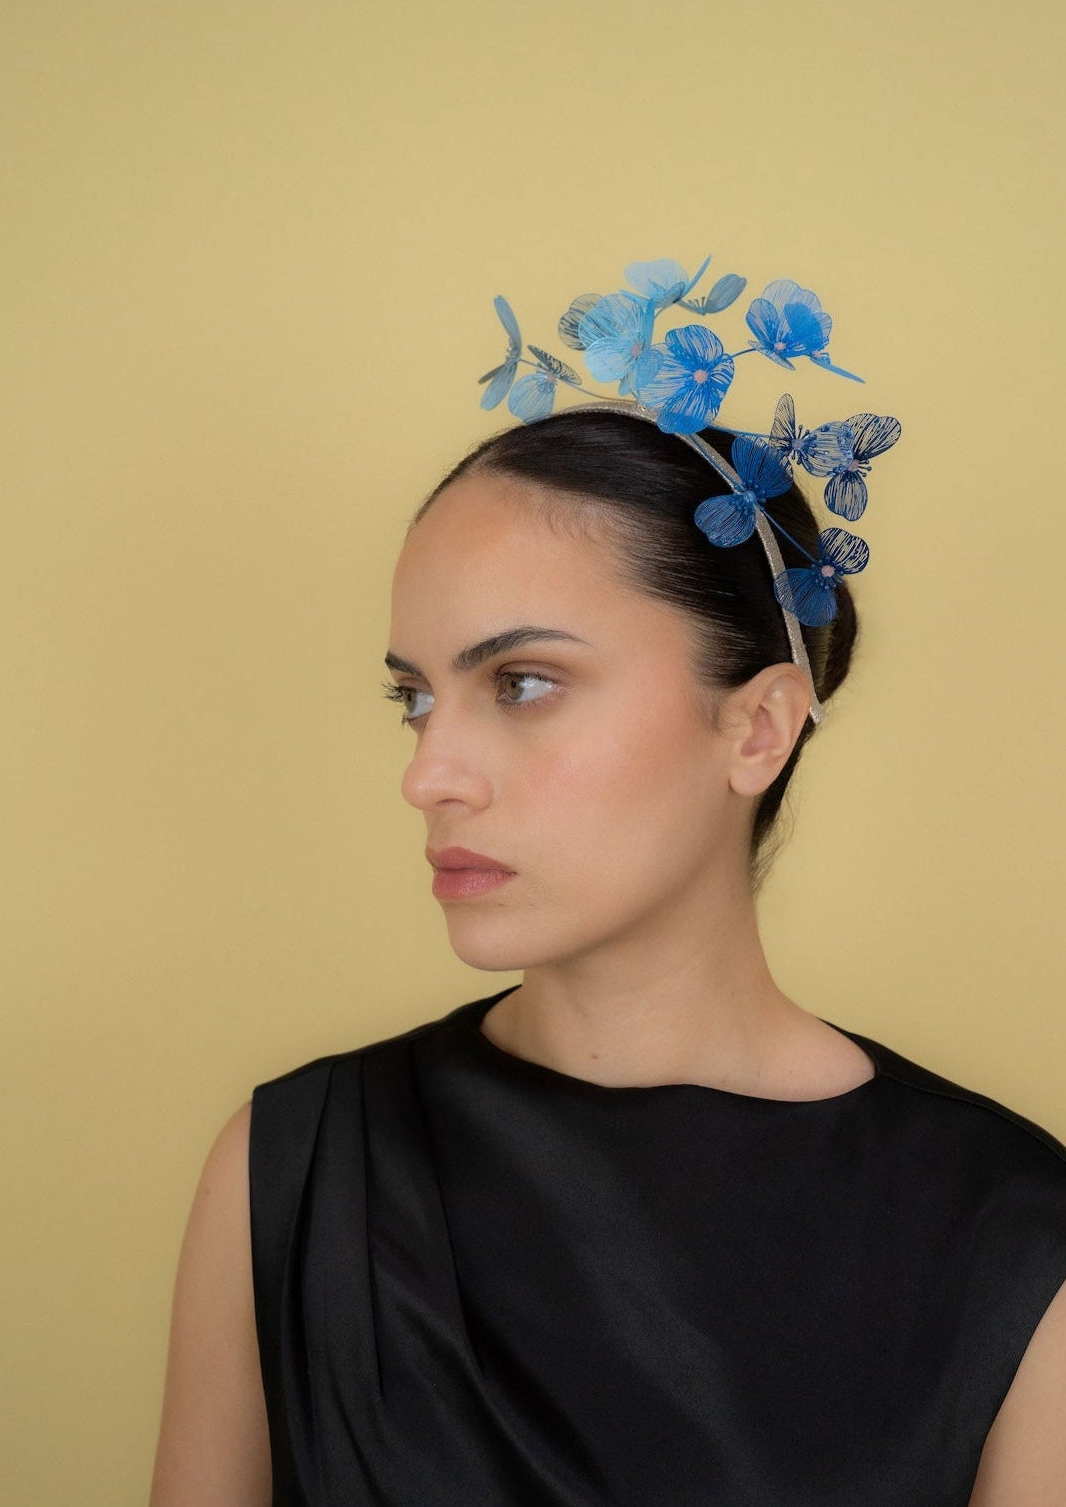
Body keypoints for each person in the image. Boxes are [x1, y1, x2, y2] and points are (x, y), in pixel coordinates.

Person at [150, 332, 1066, 1504]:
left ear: (758, 728)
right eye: (414, 698)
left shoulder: (1010, 1238)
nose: (429, 774)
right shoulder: (302, 1167)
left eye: (522, 683)